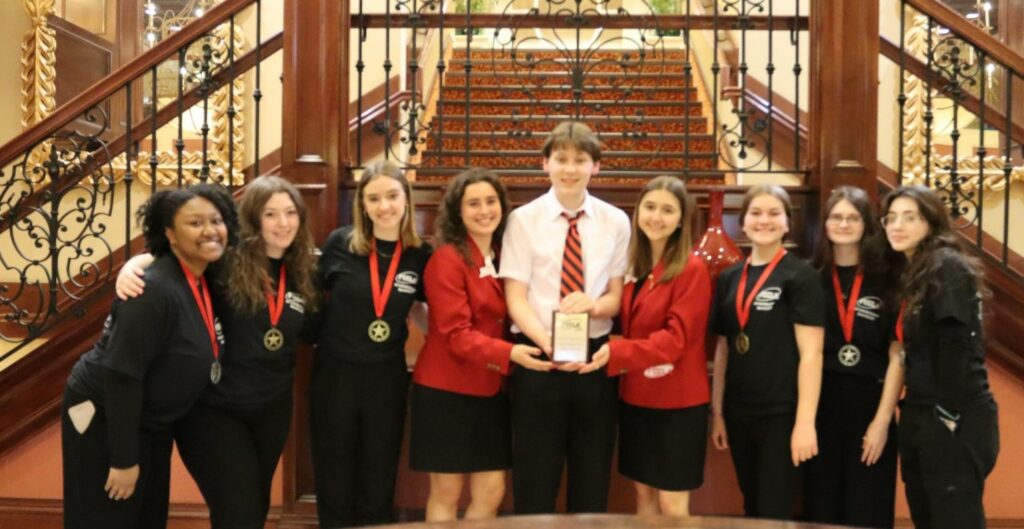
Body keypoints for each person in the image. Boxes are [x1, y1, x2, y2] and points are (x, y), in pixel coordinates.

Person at [115, 176, 320, 528]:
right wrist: (133, 264)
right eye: (271, 214)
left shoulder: (304, 270)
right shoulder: (223, 260)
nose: (283, 223)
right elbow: (173, 260)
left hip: (271, 410)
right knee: (237, 513)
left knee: (254, 509)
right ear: (252, 218)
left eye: (290, 213)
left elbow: (316, 330)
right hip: (214, 411)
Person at [62, 184, 237, 529]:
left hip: (152, 422)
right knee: (109, 516)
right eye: (194, 223)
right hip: (104, 417)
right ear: (169, 233)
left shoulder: (201, 274)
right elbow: (122, 376)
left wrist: (137, 259)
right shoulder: (152, 290)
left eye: (216, 220)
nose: (210, 230)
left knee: (147, 516)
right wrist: (124, 460)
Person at [499, 120, 631, 514]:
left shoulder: (616, 221)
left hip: (595, 359)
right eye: (561, 159)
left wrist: (595, 306)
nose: (570, 168)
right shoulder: (523, 220)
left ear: (596, 167)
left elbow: (616, 297)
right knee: (534, 478)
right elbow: (516, 297)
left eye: (580, 160)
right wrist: (548, 344)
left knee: (592, 478)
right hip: (538, 356)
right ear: (545, 165)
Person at [410, 168, 550, 521]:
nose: (484, 210)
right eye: (473, 203)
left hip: (490, 391)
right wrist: (510, 353)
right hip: (447, 391)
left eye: (491, 201)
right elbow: (456, 334)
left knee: (492, 491)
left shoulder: (504, 255)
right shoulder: (446, 259)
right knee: (447, 492)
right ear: (458, 211)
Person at [579, 176, 711, 516]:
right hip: (636, 398)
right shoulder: (634, 266)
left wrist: (617, 352)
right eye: (650, 207)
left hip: (677, 403)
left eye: (668, 210)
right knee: (643, 497)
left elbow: (675, 340)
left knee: (672, 502)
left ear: (682, 219)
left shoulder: (691, 269)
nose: (656, 217)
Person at [311, 160, 432, 527]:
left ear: (406, 199)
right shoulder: (339, 244)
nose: (384, 206)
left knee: (378, 476)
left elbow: (428, 311)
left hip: (386, 377)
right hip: (335, 374)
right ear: (362, 203)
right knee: (334, 475)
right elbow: (311, 298)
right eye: (374, 198)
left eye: (392, 196)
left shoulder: (420, 255)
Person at [882, 185, 998, 529]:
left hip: (954, 414)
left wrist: (947, 415)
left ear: (931, 223)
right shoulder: (916, 270)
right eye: (890, 218)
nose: (896, 225)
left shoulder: (947, 266)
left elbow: (956, 342)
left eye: (909, 217)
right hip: (921, 411)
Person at [708, 183, 824, 520]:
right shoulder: (730, 277)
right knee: (752, 504)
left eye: (774, 213)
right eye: (756, 213)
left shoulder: (801, 276)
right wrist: (718, 413)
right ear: (742, 222)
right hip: (739, 410)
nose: (764, 220)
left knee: (775, 508)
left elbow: (812, 355)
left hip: (782, 413)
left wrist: (805, 422)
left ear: (788, 223)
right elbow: (725, 347)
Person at [805, 185, 902, 528]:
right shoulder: (810, 277)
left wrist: (881, 422)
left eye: (852, 218)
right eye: (836, 217)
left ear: (867, 225)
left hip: (870, 402)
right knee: (822, 504)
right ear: (825, 223)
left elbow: (897, 355)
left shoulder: (888, 279)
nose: (843, 224)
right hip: (822, 403)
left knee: (867, 506)